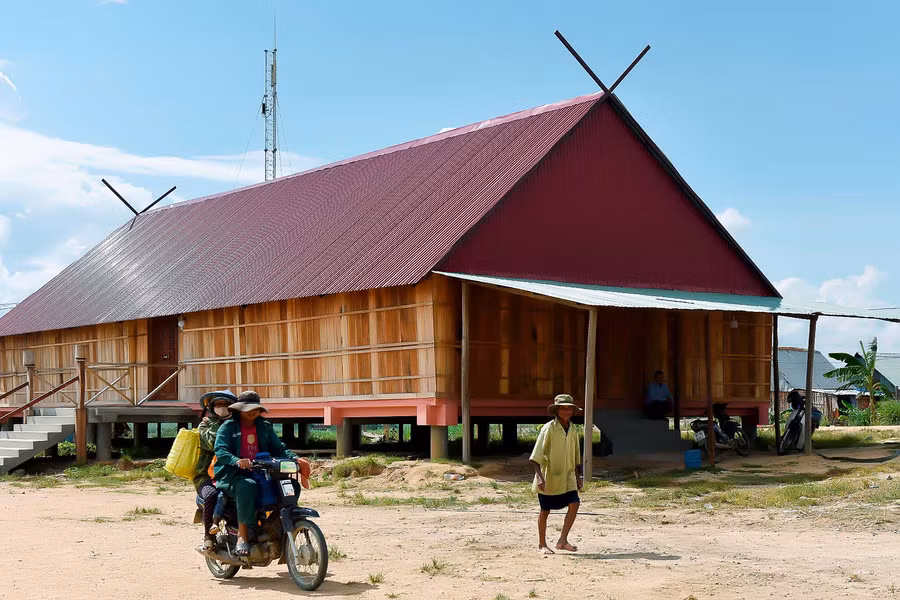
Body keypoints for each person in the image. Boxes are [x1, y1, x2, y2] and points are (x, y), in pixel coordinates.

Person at [214, 390, 304, 556]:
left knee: (291, 486)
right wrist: (236, 460)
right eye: (248, 408)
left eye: (255, 408)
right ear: (239, 409)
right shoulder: (228, 427)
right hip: (233, 474)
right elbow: (220, 450)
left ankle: (273, 525)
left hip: (263, 472)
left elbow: (279, 448)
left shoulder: (264, 426)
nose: (252, 411)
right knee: (247, 486)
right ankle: (243, 536)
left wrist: (295, 459)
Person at [529, 394, 584, 555]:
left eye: (569, 409)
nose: (567, 412)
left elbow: (576, 455)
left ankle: (563, 540)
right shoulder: (549, 429)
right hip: (550, 477)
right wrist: (539, 477)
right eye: (563, 408)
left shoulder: (573, 429)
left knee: (575, 503)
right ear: (557, 410)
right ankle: (542, 544)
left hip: (568, 476)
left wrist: (578, 476)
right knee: (545, 511)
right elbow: (536, 456)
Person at [194, 390, 237, 551]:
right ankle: (208, 537)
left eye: (227, 405)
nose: (223, 408)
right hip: (206, 475)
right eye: (219, 405)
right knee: (212, 494)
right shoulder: (205, 425)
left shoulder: (239, 425)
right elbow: (213, 444)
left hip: (232, 472)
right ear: (212, 408)